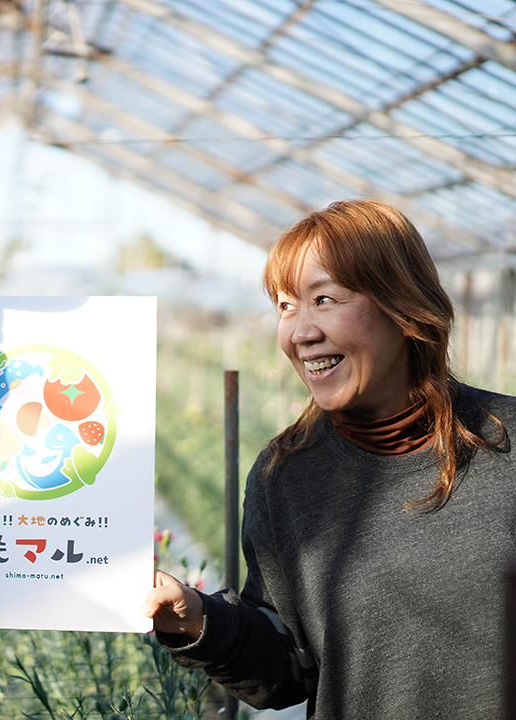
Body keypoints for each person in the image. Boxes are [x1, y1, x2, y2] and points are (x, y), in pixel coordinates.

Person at [141, 199, 516, 718]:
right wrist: (198, 619)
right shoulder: (284, 476)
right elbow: (287, 667)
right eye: (286, 306)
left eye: (325, 299)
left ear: (402, 305)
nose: (300, 332)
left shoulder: (507, 445)